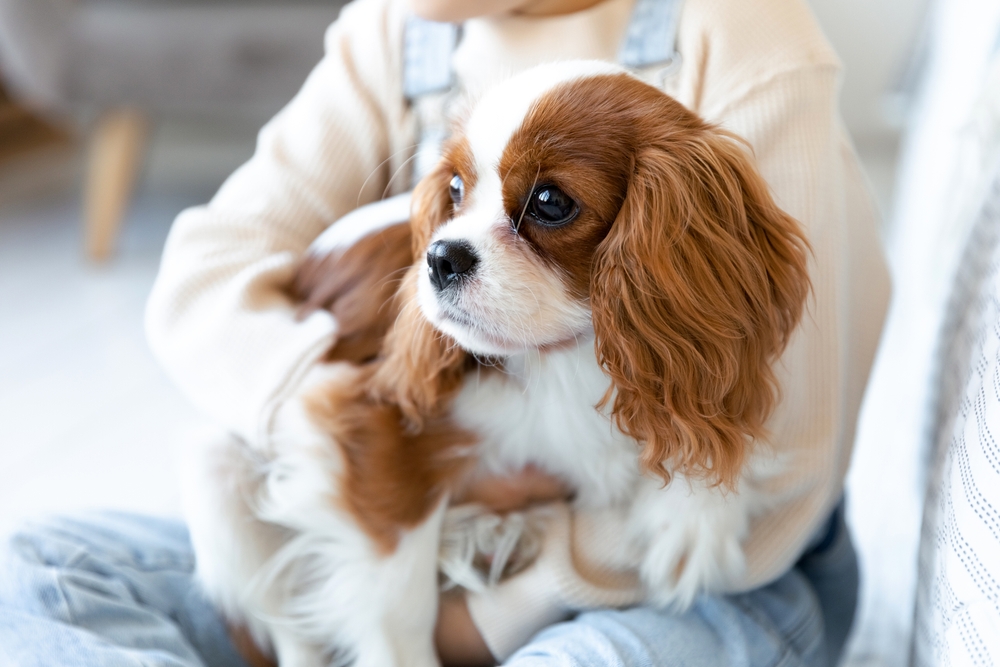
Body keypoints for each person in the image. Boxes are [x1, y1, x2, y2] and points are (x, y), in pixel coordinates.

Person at [0, 0, 890, 665]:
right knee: (26, 577)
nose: (453, 238)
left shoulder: (738, 36)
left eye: (549, 206)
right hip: (436, 550)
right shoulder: (398, 30)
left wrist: (483, 623)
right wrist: (345, 416)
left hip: (688, 587)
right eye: (457, 199)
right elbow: (203, 274)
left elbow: (785, 481)